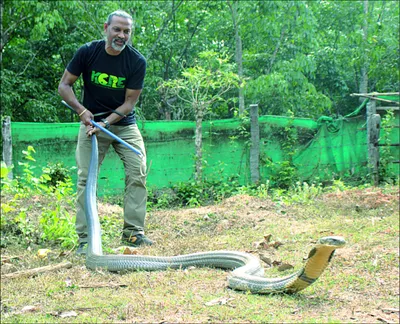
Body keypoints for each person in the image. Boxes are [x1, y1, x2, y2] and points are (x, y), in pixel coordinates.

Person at [58, 10, 153, 255]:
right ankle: (85, 239)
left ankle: (133, 233)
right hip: (90, 125)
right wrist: (82, 112)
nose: (121, 35)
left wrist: (108, 122)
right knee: (85, 179)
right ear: (106, 28)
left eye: (126, 31)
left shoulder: (136, 61)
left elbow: (129, 104)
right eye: (117, 29)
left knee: (138, 169)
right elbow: (64, 85)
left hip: (123, 124)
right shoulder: (88, 52)